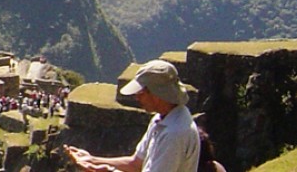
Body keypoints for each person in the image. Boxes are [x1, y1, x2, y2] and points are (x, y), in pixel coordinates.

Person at [64, 60, 199, 172]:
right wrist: (92, 159)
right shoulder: (162, 119)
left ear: (156, 94)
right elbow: (136, 163)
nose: (136, 98)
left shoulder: (175, 133)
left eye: (140, 93)